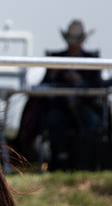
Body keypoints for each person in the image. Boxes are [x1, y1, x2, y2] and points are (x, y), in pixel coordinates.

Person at [40, 19, 107, 168]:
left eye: (76, 42)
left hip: (85, 105)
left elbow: (98, 86)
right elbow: (43, 86)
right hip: (60, 106)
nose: (73, 45)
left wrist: (80, 80)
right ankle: (59, 159)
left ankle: (84, 160)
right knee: (52, 120)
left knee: (91, 121)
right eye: (71, 41)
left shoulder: (92, 60)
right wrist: (54, 74)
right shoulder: (56, 58)